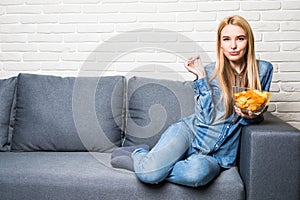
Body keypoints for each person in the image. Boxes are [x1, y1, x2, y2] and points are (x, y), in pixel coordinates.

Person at [110, 15, 273, 187]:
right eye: (226, 39)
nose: (233, 45)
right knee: (149, 175)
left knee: (196, 175)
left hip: (217, 155)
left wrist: (250, 116)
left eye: (240, 39)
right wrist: (201, 78)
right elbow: (205, 119)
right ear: (220, 43)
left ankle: (151, 164)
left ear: (249, 41)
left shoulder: (263, 70)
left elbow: (257, 113)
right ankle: (139, 154)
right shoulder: (210, 71)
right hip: (189, 132)